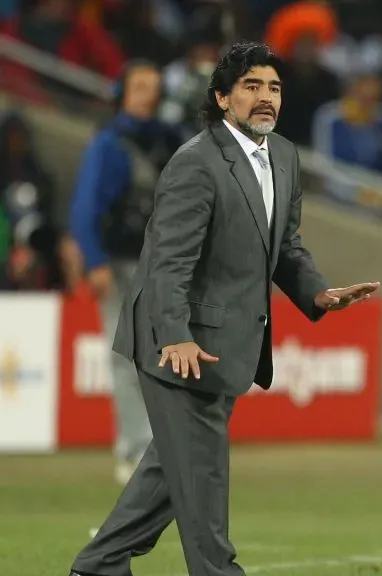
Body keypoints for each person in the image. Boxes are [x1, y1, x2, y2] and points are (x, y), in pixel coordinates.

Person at [68, 41, 380, 576]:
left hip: (223, 344)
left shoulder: (284, 156)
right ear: (221, 98)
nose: (266, 98)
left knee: (172, 471)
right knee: (203, 471)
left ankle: (98, 566)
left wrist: (317, 292)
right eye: (251, 87)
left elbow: (284, 246)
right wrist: (175, 335)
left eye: (274, 88)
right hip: (177, 343)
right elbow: (168, 262)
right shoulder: (195, 163)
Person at [67, 58, 182, 485]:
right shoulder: (110, 143)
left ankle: (148, 445)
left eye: (154, 86)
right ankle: (136, 448)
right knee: (129, 356)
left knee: (159, 354)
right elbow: (85, 206)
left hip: (163, 260)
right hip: (119, 259)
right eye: (139, 87)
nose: (149, 94)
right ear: (123, 94)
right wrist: (94, 259)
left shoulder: (171, 140)